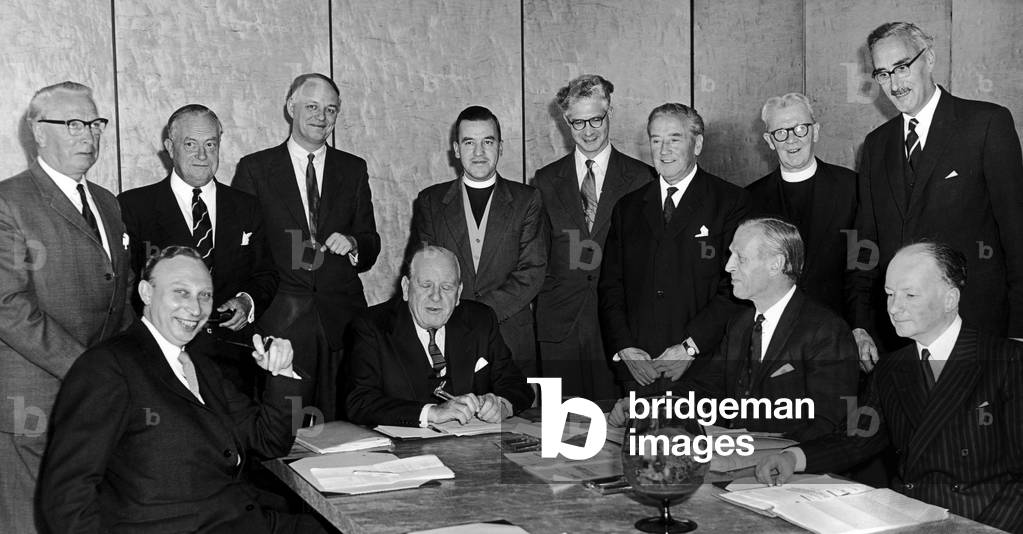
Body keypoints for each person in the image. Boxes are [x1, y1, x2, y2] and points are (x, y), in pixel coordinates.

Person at [39, 246, 325, 534]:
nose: (196, 308)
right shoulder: (107, 367)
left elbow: (269, 441)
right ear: (146, 293)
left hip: (244, 520)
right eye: (181, 292)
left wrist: (282, 372)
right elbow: (66, 497)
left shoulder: (202, 367)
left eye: (205, 295)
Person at [756, 242, 1023, 533]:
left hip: (983, 520)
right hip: (911, 518)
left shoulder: (1007, 360)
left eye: (910, 295)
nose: (894, 308)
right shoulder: (891, 368)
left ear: (950, 299)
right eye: (890, 294)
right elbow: (856, 438)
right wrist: (792, 457)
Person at [849, 22, 1023, 371]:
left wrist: (1018, 330)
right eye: (883, 74)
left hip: (977, 332)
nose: (895, 84)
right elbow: (864, 242)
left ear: (928, 58)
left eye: (902, 67)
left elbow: (1017, 235)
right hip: (899, 339)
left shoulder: (987, 124)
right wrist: (860, 323)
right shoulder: (876, 144)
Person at [0, 81, 134, 532]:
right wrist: (90, 369)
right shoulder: (7, 202)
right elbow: (8, 305)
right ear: (38, 132)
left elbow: (123, 299)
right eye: (73, 124)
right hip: (34, 406)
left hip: (97, 408)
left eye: (95, 124)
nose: (88, 135)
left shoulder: (108, 203)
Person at [233, 73, 380, 420]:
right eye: (312, 107)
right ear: (290, 108)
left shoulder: (353, 169)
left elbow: (371, 243)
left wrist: (355, 242)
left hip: (341, 322)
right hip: (280, 323)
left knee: (342, 425)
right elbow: (242, 251)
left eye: (330, 110)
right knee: (286, 426)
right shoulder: (255, 169)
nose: (321, 117)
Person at [119, 104, 278, 395]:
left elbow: (266, 273)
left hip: (235, 363)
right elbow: (125, 286)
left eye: (210, 144)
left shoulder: (248, 207)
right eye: (190, 144)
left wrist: (247, 302)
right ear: (170, 147)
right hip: (163, 363)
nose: (202, 155)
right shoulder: (134, 207)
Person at [599, 103, 749, 396]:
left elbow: (736, 288)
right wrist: (625, 348)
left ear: (698, 144)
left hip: (703, 369)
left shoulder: (731, 202)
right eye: (656, 140)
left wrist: (690, 347)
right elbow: (610, 287)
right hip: (639, 372)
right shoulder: (628, 208)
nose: (663, 149)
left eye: (674, 139)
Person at [532, 74, 655, 400]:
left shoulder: (641, 178)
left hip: (617, 331)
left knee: (616, 430)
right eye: (578, 123)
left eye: (596, 120)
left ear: (609, 112)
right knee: (562, 434)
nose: (588, 131)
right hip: (560, 328)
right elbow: (535, 255)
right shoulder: (545, 181)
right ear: (565, 122)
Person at [680, 218, 858, 441]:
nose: (728, 267)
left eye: (741, 258)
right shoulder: (739, 325)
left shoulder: (826, 331)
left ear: (776, 264)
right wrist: (645, 407)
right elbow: (704, 390)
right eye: (731, 255)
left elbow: (829, 423)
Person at [408, 105, 548, 376]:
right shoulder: (431, 201)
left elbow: (532, 271)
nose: (479, 152)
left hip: (509, 335)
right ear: (456, 149)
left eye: (488, 141)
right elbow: (420, 270)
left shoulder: (527, 200)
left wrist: (476, 313)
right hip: (447, 334)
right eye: (469, 142)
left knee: (515, 416)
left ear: (500, 147)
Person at [345, 245, 534, 427]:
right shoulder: (371, 326)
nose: (435, 296)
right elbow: (359, 402)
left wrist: (501, 405)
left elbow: (518, 386)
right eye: (426, 285)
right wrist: (433, 413)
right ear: (405, 287)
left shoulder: (480, 320)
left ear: (458, 293)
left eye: (446, 287)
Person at [747, 93, 857, 321]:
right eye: (780, 132)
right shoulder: (750, 199)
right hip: (776, 330)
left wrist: (860, 325)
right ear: (769, 140)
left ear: (815, 131)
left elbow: (864, 264)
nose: (791, 140)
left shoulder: (851, 188)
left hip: (838, 325)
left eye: (800, 129)